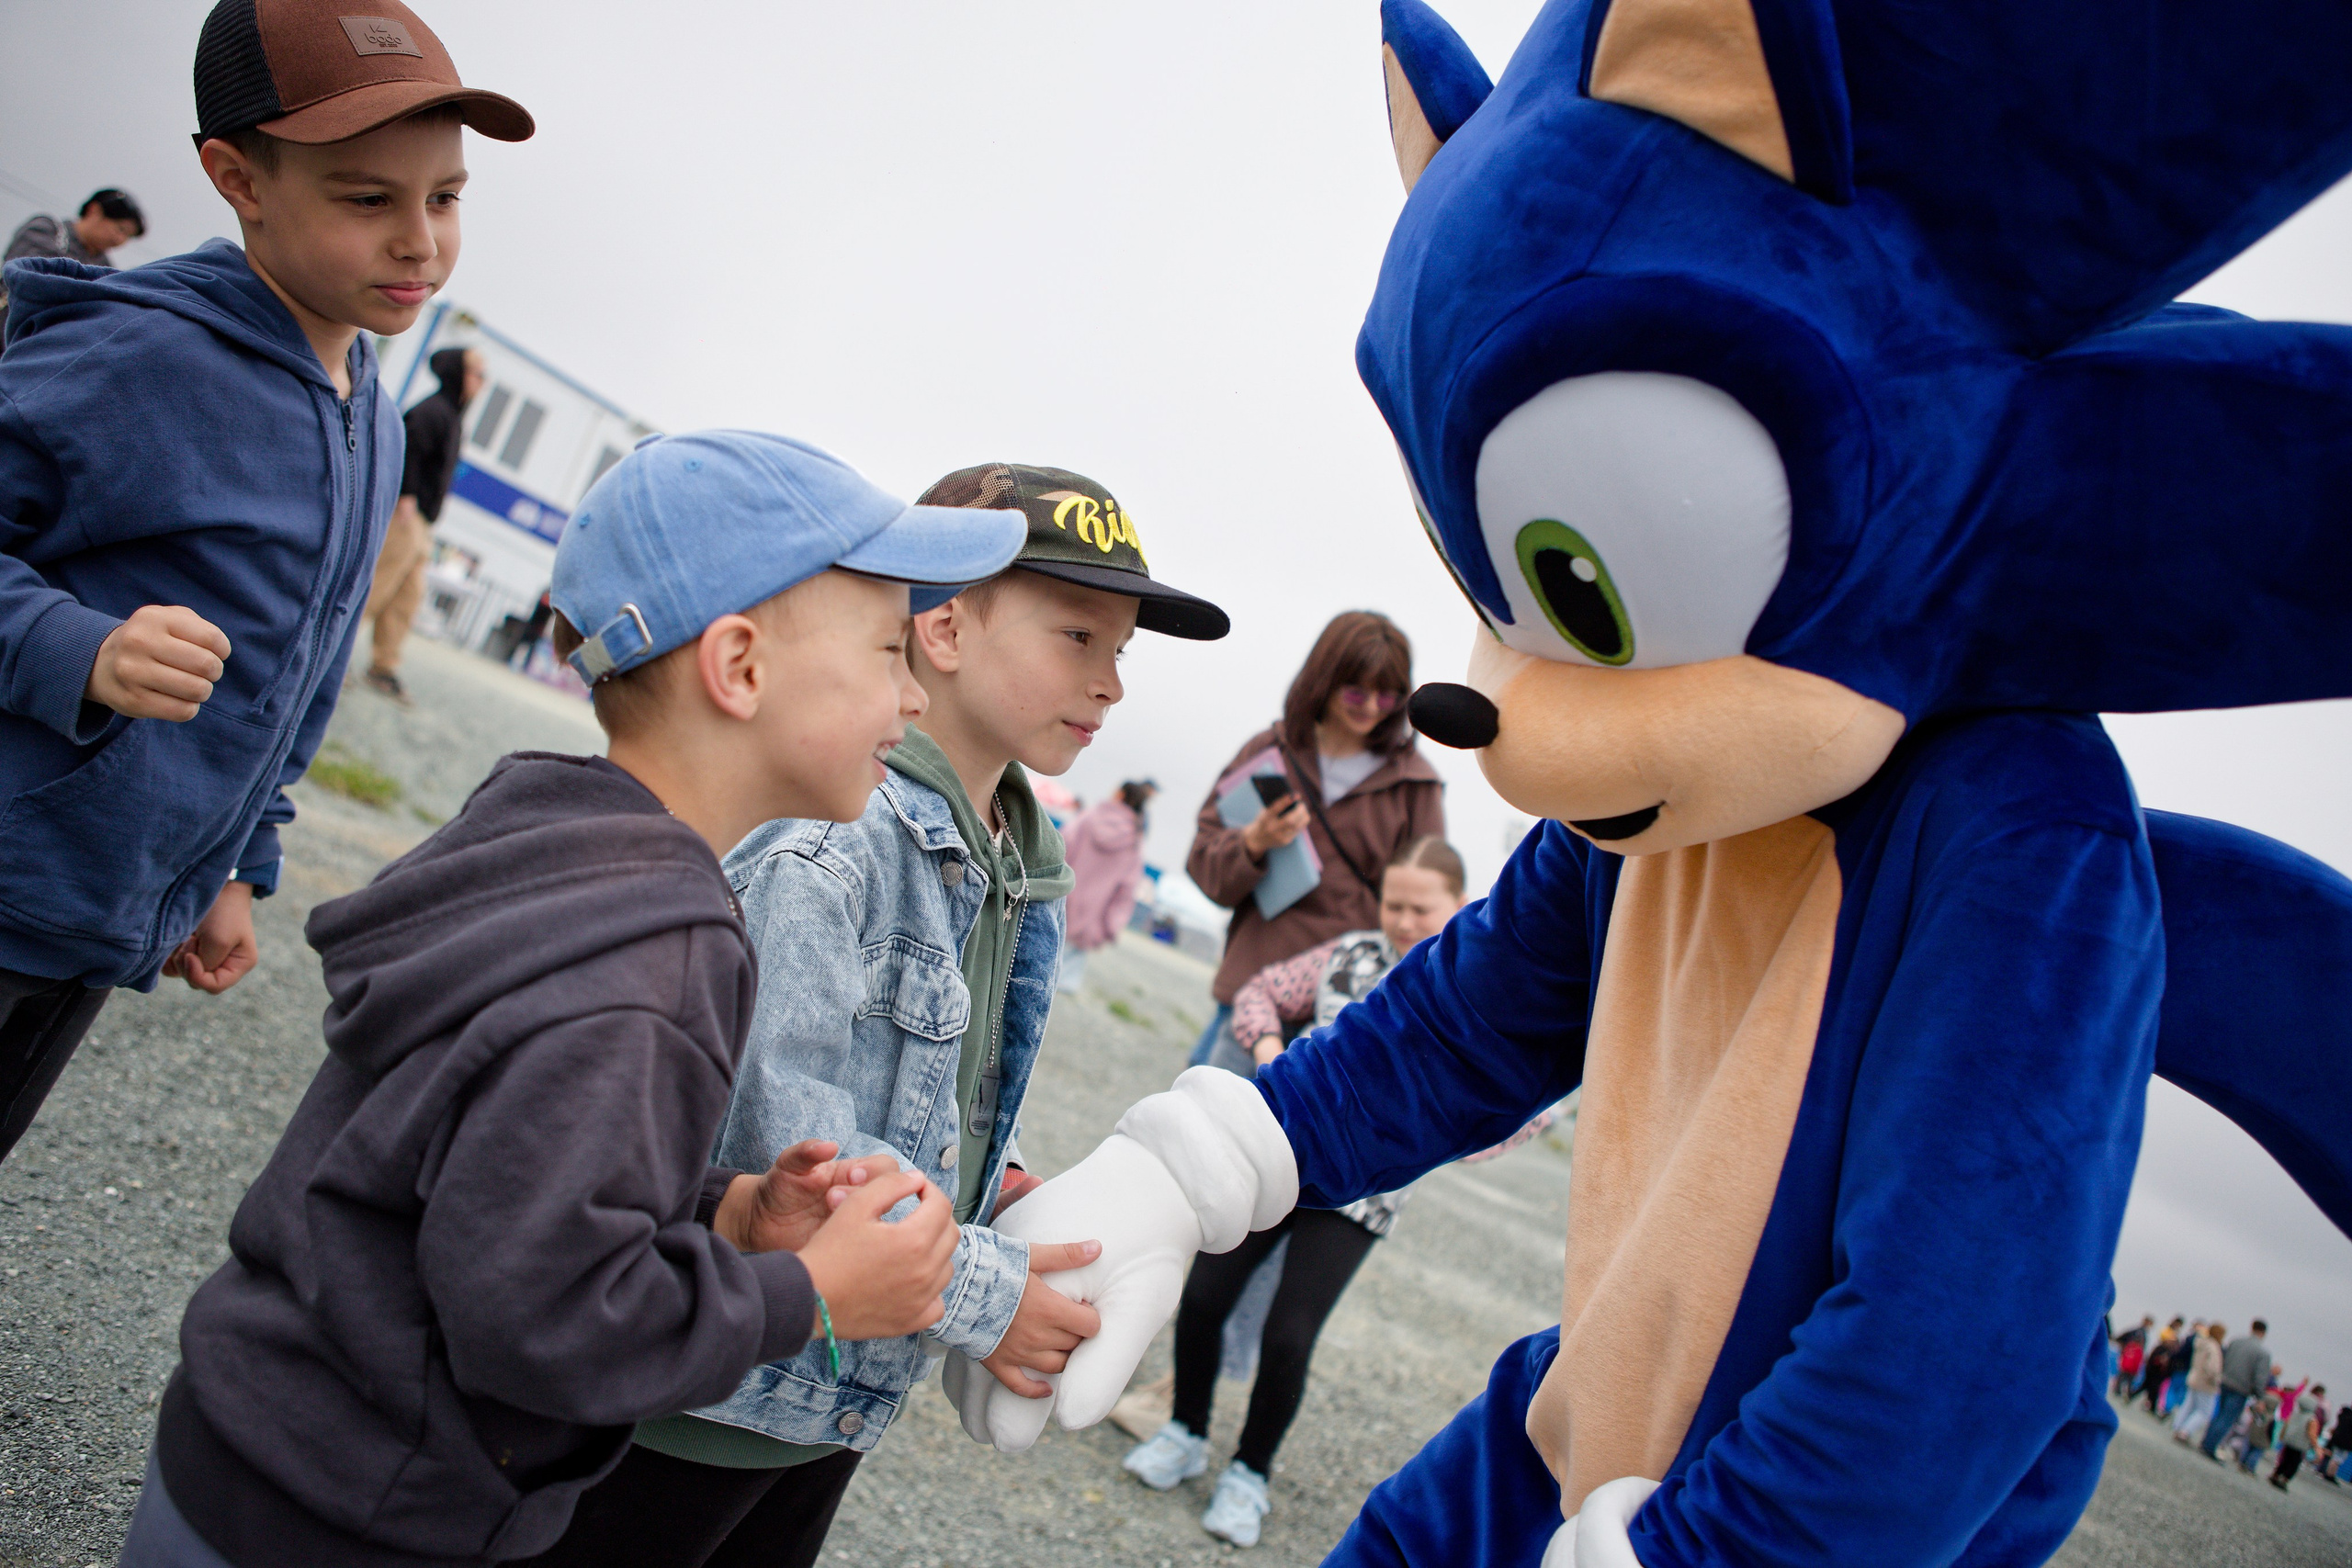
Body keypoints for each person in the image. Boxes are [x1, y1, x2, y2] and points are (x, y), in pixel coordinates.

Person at [118, 428, 1024, 1567]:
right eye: (893, 647)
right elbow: (541, 1323)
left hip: (260, 1441)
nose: (910, 691)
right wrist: (805, 1292)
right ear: (739, 666)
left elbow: (490, 1177)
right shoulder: (656, 958)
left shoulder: (561, 835)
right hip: (360, 1517)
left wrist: (721, 1217)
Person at [524, 462, 1230, 1568]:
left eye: (1122, 654)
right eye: (1077, 639)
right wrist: (987, 1295)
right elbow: (779, 1141)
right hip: (702, 1398)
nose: (1111, 687)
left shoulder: (1012, 859)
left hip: (823, 1400)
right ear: (942, 630)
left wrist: (986, 1180)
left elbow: (906, 1078)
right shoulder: (834, 843)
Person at [0, 0, 530, 1165]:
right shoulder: (132, 354)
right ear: (236, 176)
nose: (420, 244)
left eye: (444, 199)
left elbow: (301, 669)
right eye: (366, 199)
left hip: (100, 910)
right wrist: (73, 648)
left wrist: (238, 861)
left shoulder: (373, 416)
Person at [1125, 838, 1551, 1548]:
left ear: (1460, 903)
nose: (1405, 919)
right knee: (1203, 1294)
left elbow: (1534, 1101)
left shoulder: (1481, 981)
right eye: (1394, 903)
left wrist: (1458, 1137)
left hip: (1369, 1196)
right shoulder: (1351, 951)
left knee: (1289, 1333)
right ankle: (1184, 1431)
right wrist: (1271, 1053)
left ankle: (1248, 1474)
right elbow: (1259, 991)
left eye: (1422, 907)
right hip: (1284, 1153)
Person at [1184, 611, 1443, 1067]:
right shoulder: (1268, 752)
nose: (1370, 707)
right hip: (1254, 989)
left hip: (1348, 1008)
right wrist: (1253, 842)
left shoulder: (1413, 785)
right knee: (1203, 1130)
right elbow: (1204, 866)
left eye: (1387, 697)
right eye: (1356, 691)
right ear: (1324, 678)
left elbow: (1429, 905)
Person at [359, 344, 483, 704]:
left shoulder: (454, 416)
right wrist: (407, 495)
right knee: (377, 586)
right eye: (477, 374)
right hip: (405, 514)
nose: (481, 383)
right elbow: (406, 449)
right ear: (458, 373)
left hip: (422, 521)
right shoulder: (433, 410)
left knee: (407, 597)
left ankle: (383, 666)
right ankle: (331, 657)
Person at [1060, 779, 1159, 993]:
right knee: (1066, 981)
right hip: (1093, 915)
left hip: (1063, 897)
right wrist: (1113, 924)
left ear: (1120, 795)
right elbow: (1128, 887)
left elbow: (1062, 845)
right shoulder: (1135, 838)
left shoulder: (1089, 817)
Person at [0, 188, 143, 321]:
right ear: (94, 211)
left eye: (128, 237)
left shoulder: (107, 268)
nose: (120, 240)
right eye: (120, 229)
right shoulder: (49, 230)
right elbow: (30, 280)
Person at [2201, 1317, 2273, 1461]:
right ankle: (2210, 1446)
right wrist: (2259, 1397)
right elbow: (2260, 1377)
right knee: (2227, 1419)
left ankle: (2205, 1442)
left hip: (2225, 1382)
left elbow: (2224, 1359)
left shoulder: (2236, 1341)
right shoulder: (2263, 1353)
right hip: (2241, 1389)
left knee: (2219, 1414)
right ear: (2263, 1333)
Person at [2172, 1321, 2225, 1445]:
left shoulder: (2201, 1343)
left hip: (2194, 1377)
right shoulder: (2213, 1347)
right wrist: (2216, 1380)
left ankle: (2178, 1426)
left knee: (2188, 1406)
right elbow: (2212, 1368)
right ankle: (2185, 1431)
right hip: (2205, 1383)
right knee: (2205, 1412)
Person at [2274, 1383, 2327, 1490]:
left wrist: (2282, 1436)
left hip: (2290, 1441)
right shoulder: (2312, 1419)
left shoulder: (2295, 1414)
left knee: (2285, 1459)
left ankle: (2275, 1475)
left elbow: (2286, 1425)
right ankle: (2285, 1479)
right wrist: (2317, 1447)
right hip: (2301, 1445)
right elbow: (2312, 1434)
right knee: (2294, 1463)